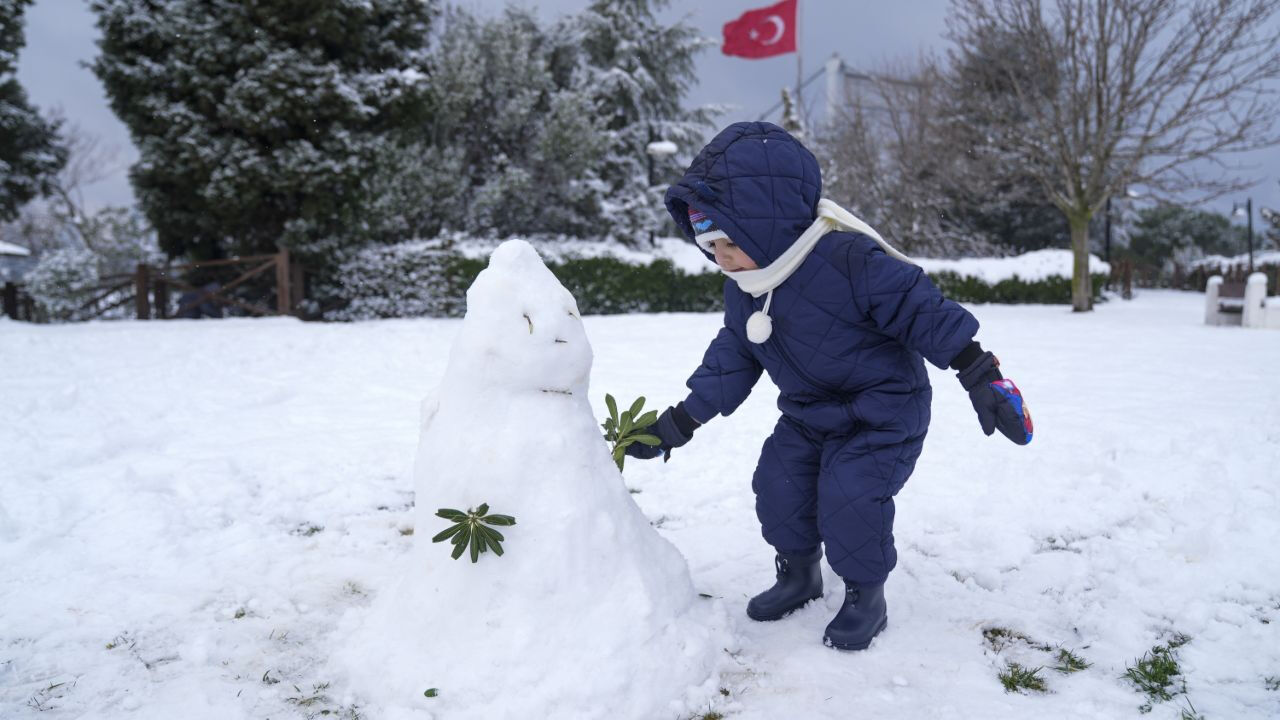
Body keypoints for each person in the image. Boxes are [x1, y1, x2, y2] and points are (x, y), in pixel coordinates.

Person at [627, 121, 1033, 651]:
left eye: (731, 241)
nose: (722, 257)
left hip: (884, 413)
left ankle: (867, 594)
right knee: (779, 484)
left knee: (851, 495)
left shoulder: (848, 261)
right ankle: (799, 574)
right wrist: (678, 423)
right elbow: (732, 358)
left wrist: (979, 373)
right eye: (710, 244)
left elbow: (921, 310)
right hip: (809, 414)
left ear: (767, 228)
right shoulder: (747, 290)